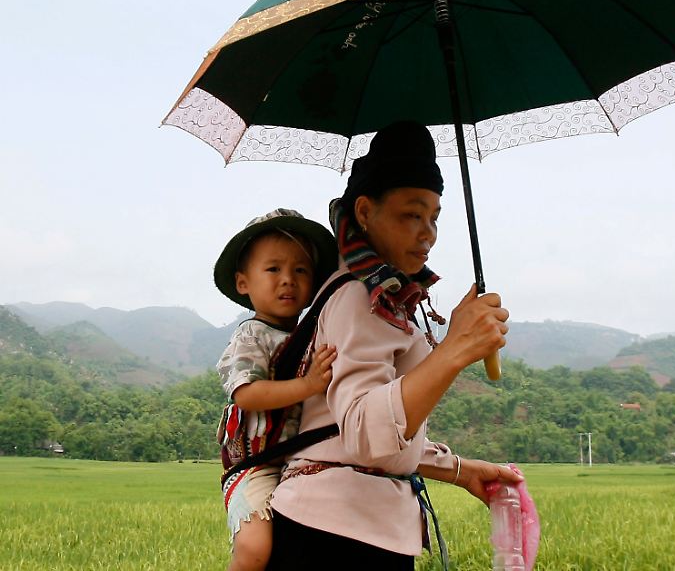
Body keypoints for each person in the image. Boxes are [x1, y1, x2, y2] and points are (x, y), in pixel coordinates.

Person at [266, 121, 522, 569]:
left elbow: (377, 431)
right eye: (411, 214)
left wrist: (460, 470)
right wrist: (453, 349)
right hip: (334, 538)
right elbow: (367, 436)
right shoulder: (356, 297)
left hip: (355, 531)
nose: (428, 232)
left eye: (434, 217)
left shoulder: (389, 298)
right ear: (364, 212)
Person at [213, 208, 341, 571]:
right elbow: (247, 393)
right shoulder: (252, 334)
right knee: (254, 548)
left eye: (300, 270)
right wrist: (308, 384)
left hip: (303, 462)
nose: (288, 279)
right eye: (273, 269)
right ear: (243, 283)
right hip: (256, 467)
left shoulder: (316, 335)